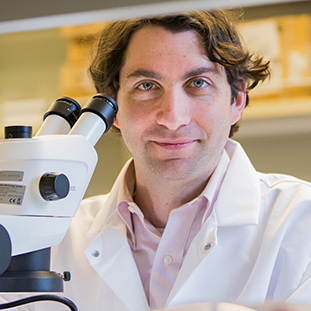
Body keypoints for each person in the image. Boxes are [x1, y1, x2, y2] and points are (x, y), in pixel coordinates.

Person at [2, 9, 311, 311]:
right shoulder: (50, 237)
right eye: (146, 86)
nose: (173, 118)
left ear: (237, 100)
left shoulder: (300, 224)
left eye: (198, 83)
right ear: (113, 110)